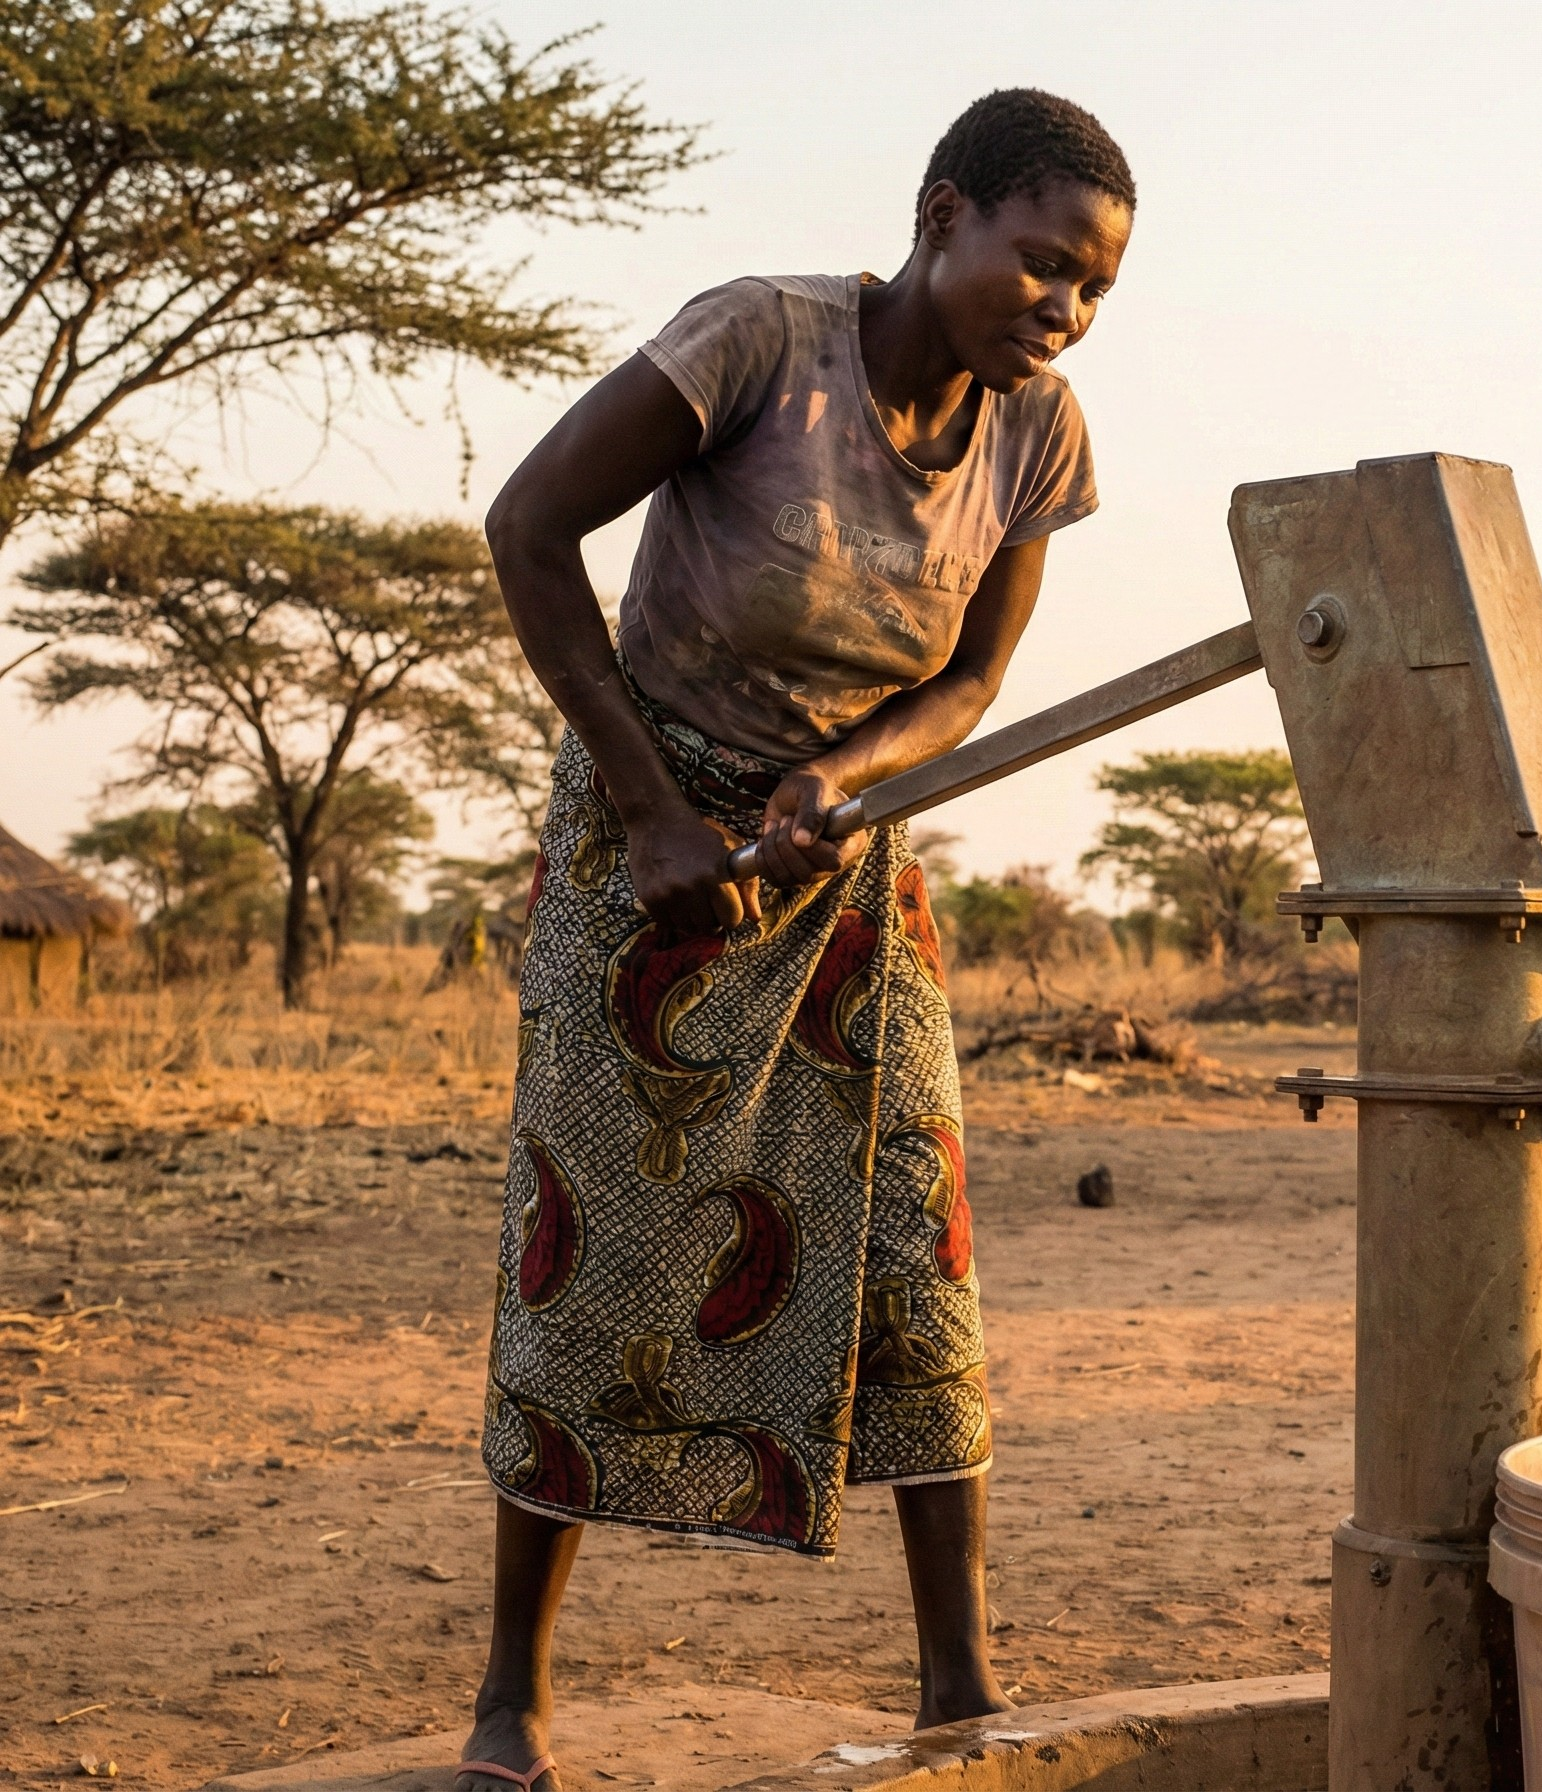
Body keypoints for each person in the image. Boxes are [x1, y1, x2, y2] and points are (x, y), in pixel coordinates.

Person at [454, 89, 1135, 1792]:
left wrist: (842, 776)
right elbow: (527, 528)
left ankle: (960, 1683)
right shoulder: (759, 340)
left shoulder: (1039, 433)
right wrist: (653, 812)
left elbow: (968, 684)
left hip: (842, 863)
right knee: (588, 1237)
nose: (1063, 308)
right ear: (944, 214)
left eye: (1095, 289)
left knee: (914, 1239)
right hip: (646, 839)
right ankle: (513, 1697)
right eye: (1043, 261)